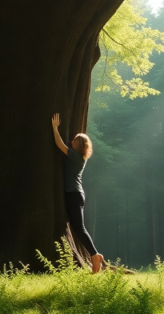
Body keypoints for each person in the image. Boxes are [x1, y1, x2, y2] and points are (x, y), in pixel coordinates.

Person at [51, 113, 104, 273]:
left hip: (73, 194)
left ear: (79, 145)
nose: (71, 141)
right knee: (78, 227)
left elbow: (59, 144)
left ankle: (94, 255)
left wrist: (54, 128)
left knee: (79, 228)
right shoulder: (80, 157)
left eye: (74, 140)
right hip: (77, 194)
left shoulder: (75, 156)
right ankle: (95, 255)